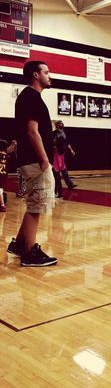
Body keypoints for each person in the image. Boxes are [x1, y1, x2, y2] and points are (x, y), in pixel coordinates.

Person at [6, 61, 58, 266]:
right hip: (36, 161)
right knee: (36, 206)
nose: (49, 75)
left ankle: (19, 245)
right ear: (35, 75)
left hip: (33, 161)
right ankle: (29, 253)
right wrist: (44, 159)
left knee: (34, 204)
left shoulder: (30, 97)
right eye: (46, 71)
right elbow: (31, 131)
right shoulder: (31, 97)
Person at [51, 121, 76, 197]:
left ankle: (62, 190)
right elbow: (52, 143)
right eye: (60, 124)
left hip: (61, 155)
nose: (62, 125)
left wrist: (71, 150)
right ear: (57, 126)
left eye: (62, 124)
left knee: (61, 173)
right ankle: (57, 192)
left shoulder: (63, 134)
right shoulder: (54, 134)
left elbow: (67, 143)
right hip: (56, 155)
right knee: (57, 176)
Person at [0, 139, 13, 212]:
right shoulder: (7, 156)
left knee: (0, 189)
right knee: (1, 189)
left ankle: (2, 205)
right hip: (4, 175)